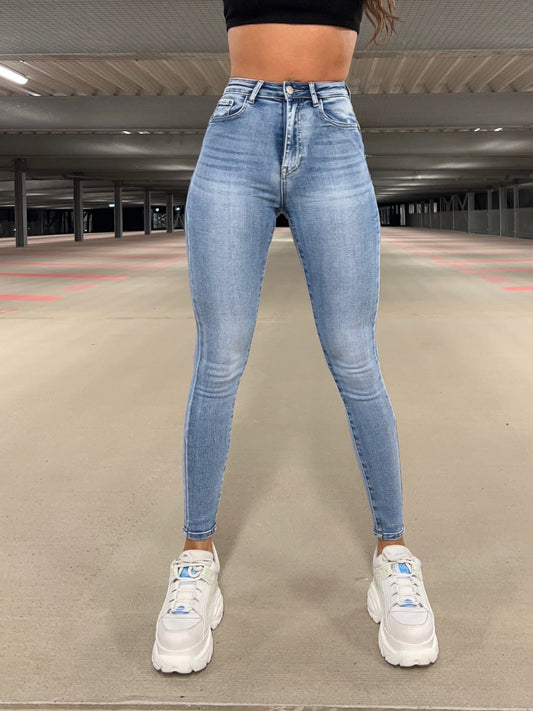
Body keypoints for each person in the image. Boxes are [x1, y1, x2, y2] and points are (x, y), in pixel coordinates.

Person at [152, 0, 439, 673]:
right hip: (238, 131)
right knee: (219, 361)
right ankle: (196, 559)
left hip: (331, 131)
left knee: (356, 358)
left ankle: (393, 555)